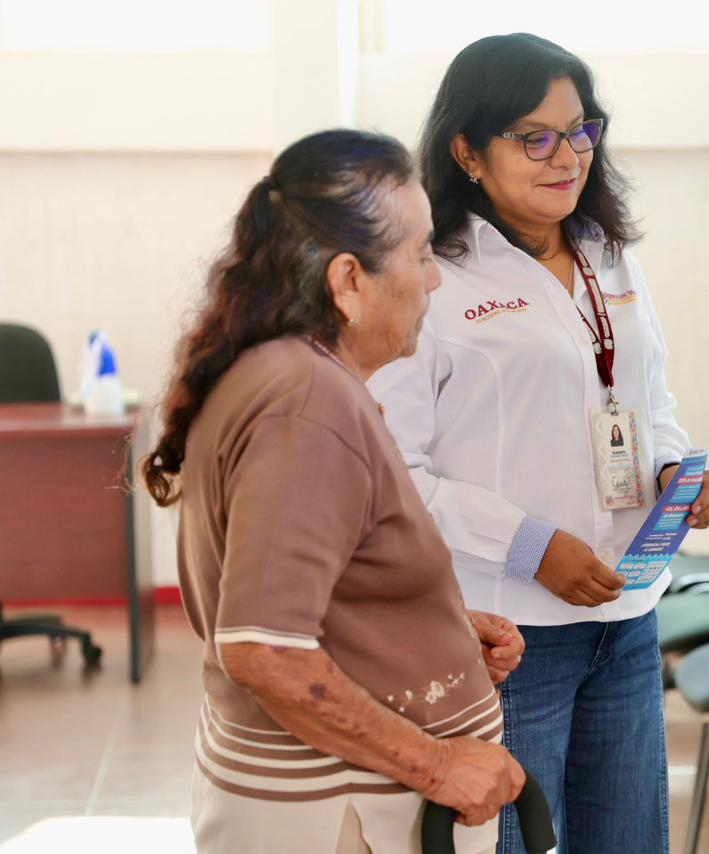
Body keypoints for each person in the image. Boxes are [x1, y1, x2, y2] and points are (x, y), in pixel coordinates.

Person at [368, 34, 709, 853]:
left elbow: (648, 399)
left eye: (580, 130)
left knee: (628, 840)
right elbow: (396, 474)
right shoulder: (435, 278)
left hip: (628, 614)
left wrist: (673, 467)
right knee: (514, 841)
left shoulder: (609, 255)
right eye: (534, 136)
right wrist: (533, 547)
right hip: (507, 634)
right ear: (467, 150)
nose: (565, 155)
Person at [142, 129, 527, 854]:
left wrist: (427, 626)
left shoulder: (287, 373)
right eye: (419, 256)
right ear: (348, 281)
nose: (434, 279)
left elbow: (305, 590)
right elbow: (267, 650)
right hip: (340, 813)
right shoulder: (307, 402)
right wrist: (439, 764)